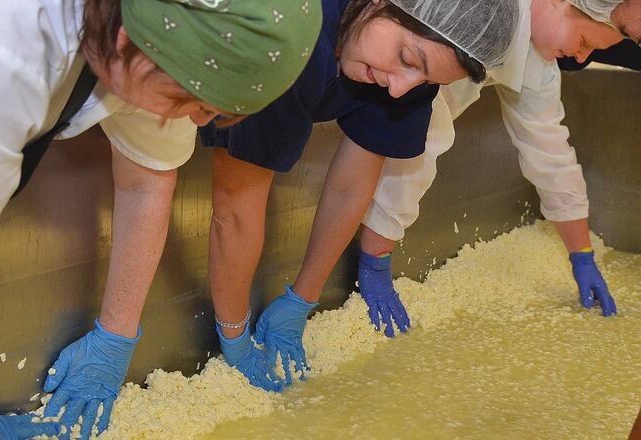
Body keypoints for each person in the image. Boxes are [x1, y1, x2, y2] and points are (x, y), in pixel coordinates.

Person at [0, 0, 322, 439]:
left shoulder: (155, 30)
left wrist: (116, 336)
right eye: (198, 105)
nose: (200, 122)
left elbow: (148, 180)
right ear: (126, 47)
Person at [200, 0, 519, 391]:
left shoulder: (405, 65)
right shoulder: (287, 35)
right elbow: (234, 207)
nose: (401, 87)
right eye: (406, 58)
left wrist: (303, 298)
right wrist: (235, 337)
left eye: (425, 80)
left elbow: (352, 184)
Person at [357, 0, 625, 340]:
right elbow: (420, 139)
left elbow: (551, 154)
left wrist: (582, 254)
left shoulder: (537, 60)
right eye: (585, 41)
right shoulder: (474, 17)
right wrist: (375, 260)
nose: (582, 57)